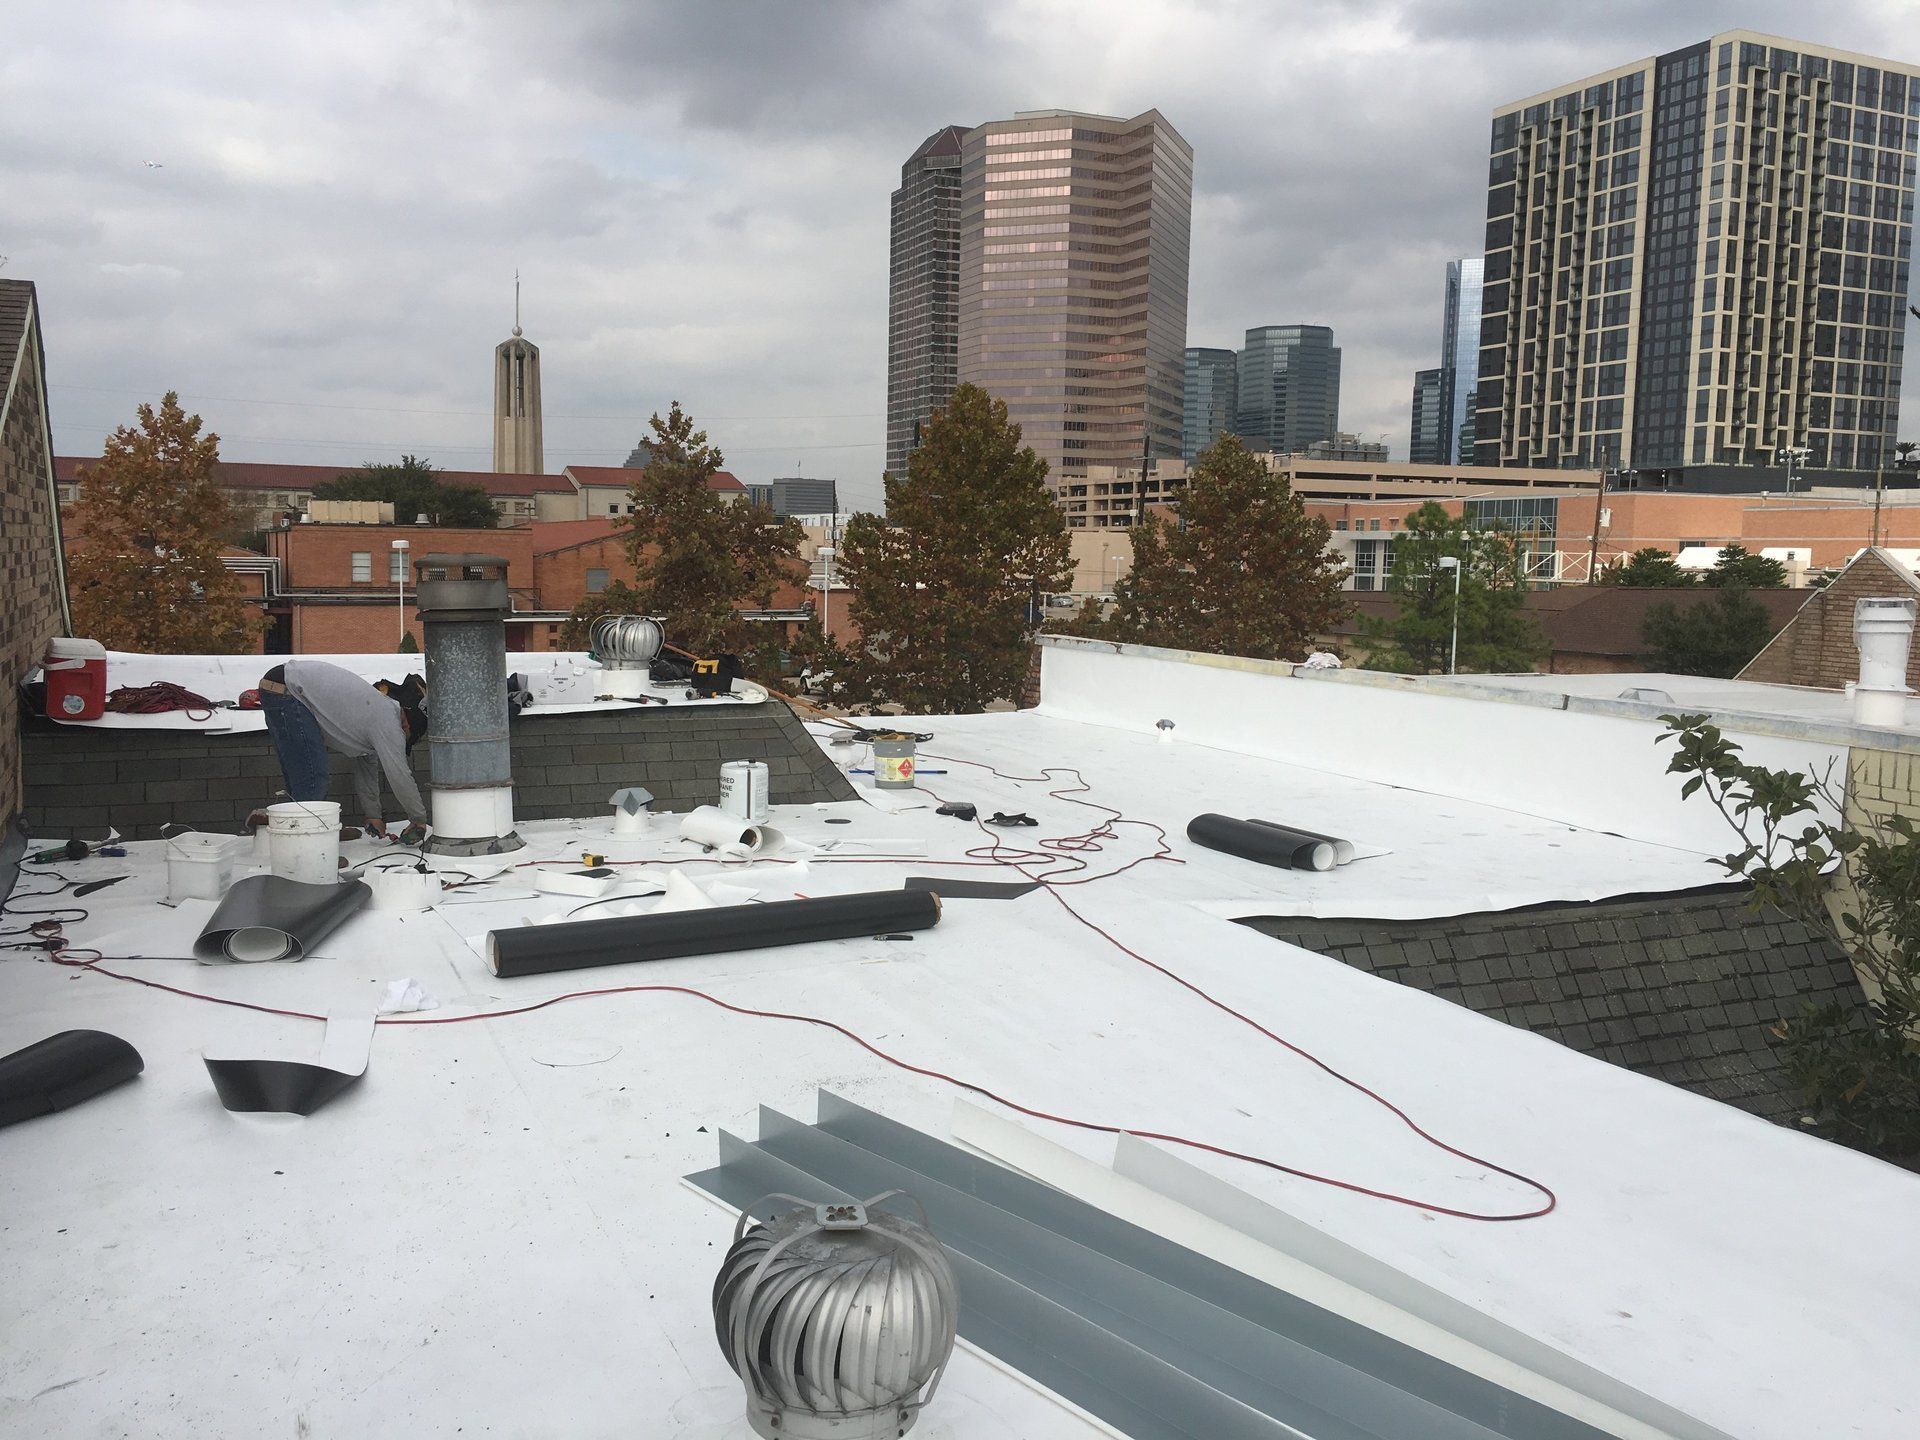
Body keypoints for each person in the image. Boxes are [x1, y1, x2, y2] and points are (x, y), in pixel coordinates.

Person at [251, 661, 431, 844]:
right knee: (313, 776)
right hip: (289, 691)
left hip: (282, 687)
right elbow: (399, 775)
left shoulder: (375, 716)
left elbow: (366, 769)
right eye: (406, 738)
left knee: (301, 773)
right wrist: (418, 819)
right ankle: (314, 849)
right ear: (408, 724)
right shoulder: (388, 720)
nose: (401, 742)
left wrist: (373, 815)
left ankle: (316, 831)